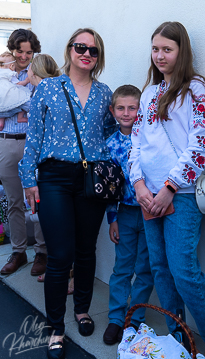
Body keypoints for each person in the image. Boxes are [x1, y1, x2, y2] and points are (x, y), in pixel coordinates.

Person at [19, 28, 117, 359]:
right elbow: (34, 135)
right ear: (70, 49)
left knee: (86, 250)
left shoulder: (105, 93)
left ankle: (82, 310)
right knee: (61, 255)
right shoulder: (48, 87)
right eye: (81, 47)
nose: (86, 53)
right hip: (54, 178)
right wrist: (29, 178)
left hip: (90, 180)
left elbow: (108, 133)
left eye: (93, 50)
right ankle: (56, 326)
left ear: (98, 57)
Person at [129, 21, 205, 341]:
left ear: (182, 51)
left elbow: (204, 142)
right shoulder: (150, 91)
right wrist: (138, 184)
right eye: (155, 49)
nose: (160, 55)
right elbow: (135, 143)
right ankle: (181, 342)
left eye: (167, 49)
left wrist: (170, 187)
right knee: (161, 271)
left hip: (178, 195)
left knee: (184, 274)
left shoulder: (195, 87)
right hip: (147, 196)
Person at [103, 85, 154, 345]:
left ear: (140, 109)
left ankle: (134, 319)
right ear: (112, 111)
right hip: (124, 213)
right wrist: (112, 219)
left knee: (145, 268)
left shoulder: (150, 138)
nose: (126, 113)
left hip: (150, 213)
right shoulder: (110, 145)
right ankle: (115, 319)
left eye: (132, 108)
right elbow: (111, 189)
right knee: (122, 268)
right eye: (121, 108)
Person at [0, 29, 43, 276]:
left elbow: (36, 108)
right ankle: (18, 251)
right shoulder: (3, 75)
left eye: (29, 52)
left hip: (32, 143)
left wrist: (11, 106)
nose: (24, 56)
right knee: (14, 200)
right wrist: (14, 107)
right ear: (12, 49)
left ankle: (42, 251)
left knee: (36, 199)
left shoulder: (38, 74)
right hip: (6, 142)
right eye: (19, 51)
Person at [0, 51, 31, 131]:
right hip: (9, 94)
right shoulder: (10, 73)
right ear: (12, 65)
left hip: (1, 96)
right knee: (23, 98)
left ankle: (1, 122)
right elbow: (18, 83)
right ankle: (20, 117)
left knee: (3, 107)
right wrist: (26, 81)